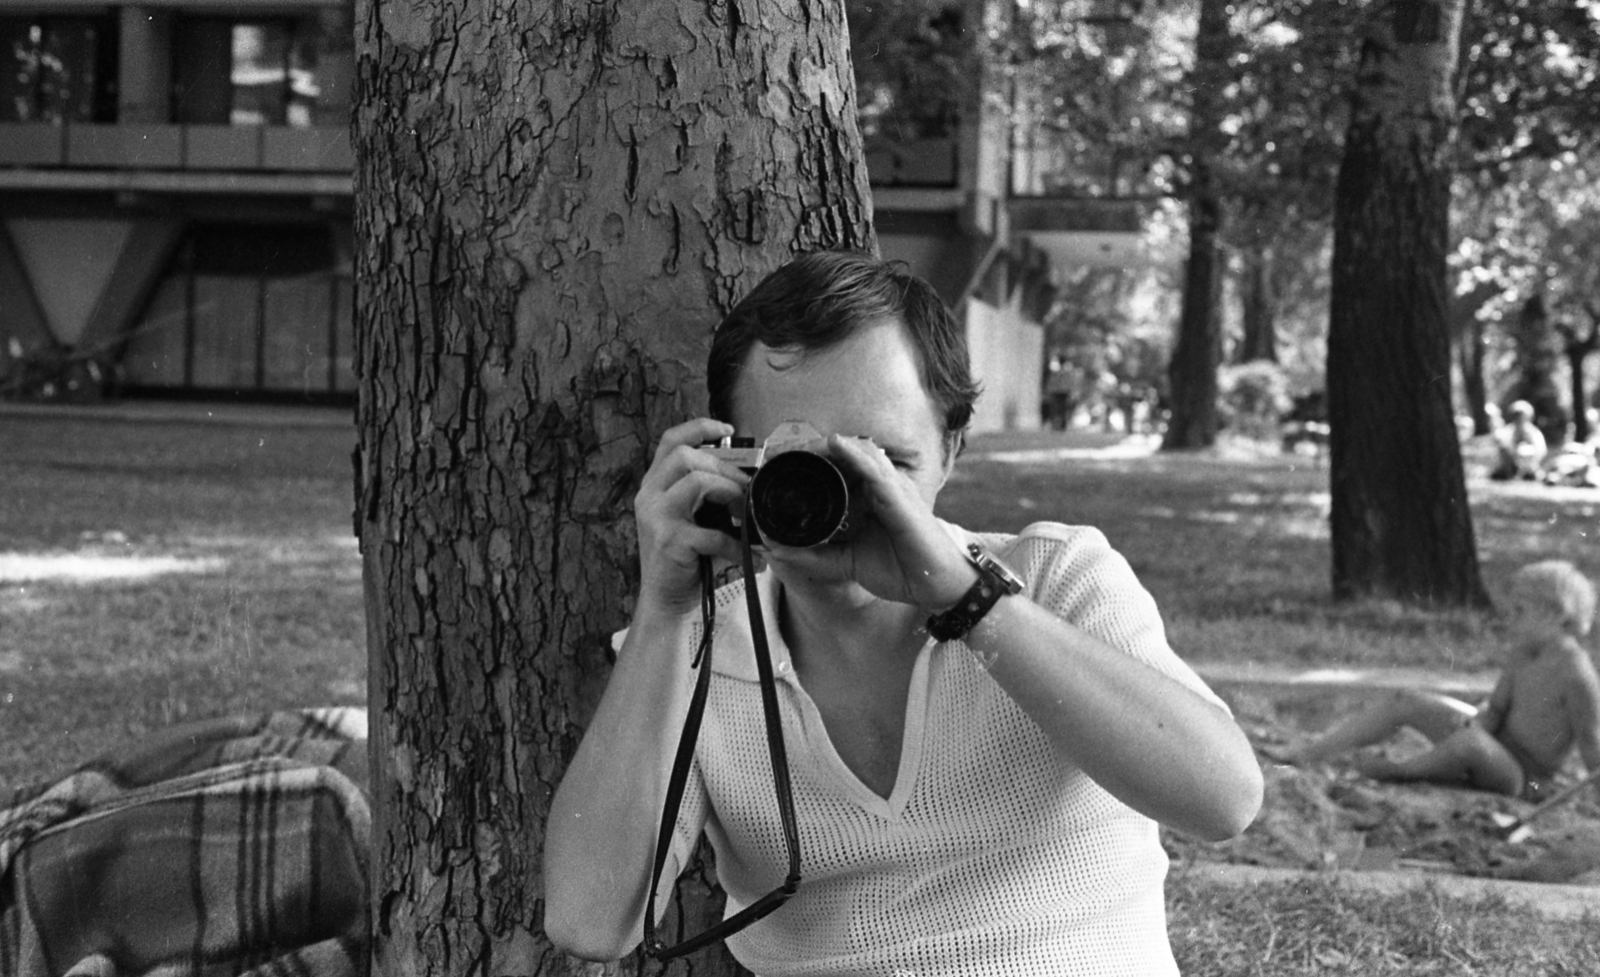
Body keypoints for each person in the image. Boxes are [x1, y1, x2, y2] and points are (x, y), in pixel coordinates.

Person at [543, 251, 1262, 976]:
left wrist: (969, 599)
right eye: (802, 464)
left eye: (885, 463)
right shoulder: (694, 646)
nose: (849, 499)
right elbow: (590, 921)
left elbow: (1223, 801)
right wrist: (666, 607)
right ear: (728, 461)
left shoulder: (1054, 578)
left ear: (950, 451)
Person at [1267, 560, 1600, 802]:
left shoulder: (1576, 673)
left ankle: (1401, 770)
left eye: (1520, 612)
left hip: (1521, 775)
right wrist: (1477, 724)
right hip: (1493, 744)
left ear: (1557, 614)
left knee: (1469, 743)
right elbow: (1497, 709)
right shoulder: (1523, 655)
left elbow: (1591, 741)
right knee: (1408, 700)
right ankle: (1310, 753)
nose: (1510, 620)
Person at [1492, 400, 1549, 481]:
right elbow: (1503, 447)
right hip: (1511, 465)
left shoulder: (1534, 433)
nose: (1519, 419)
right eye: (1516, 416)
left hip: (1530, 465)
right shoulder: (1507, 432)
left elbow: (1541, 451)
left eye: (1521, 416)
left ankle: (1528, 473)